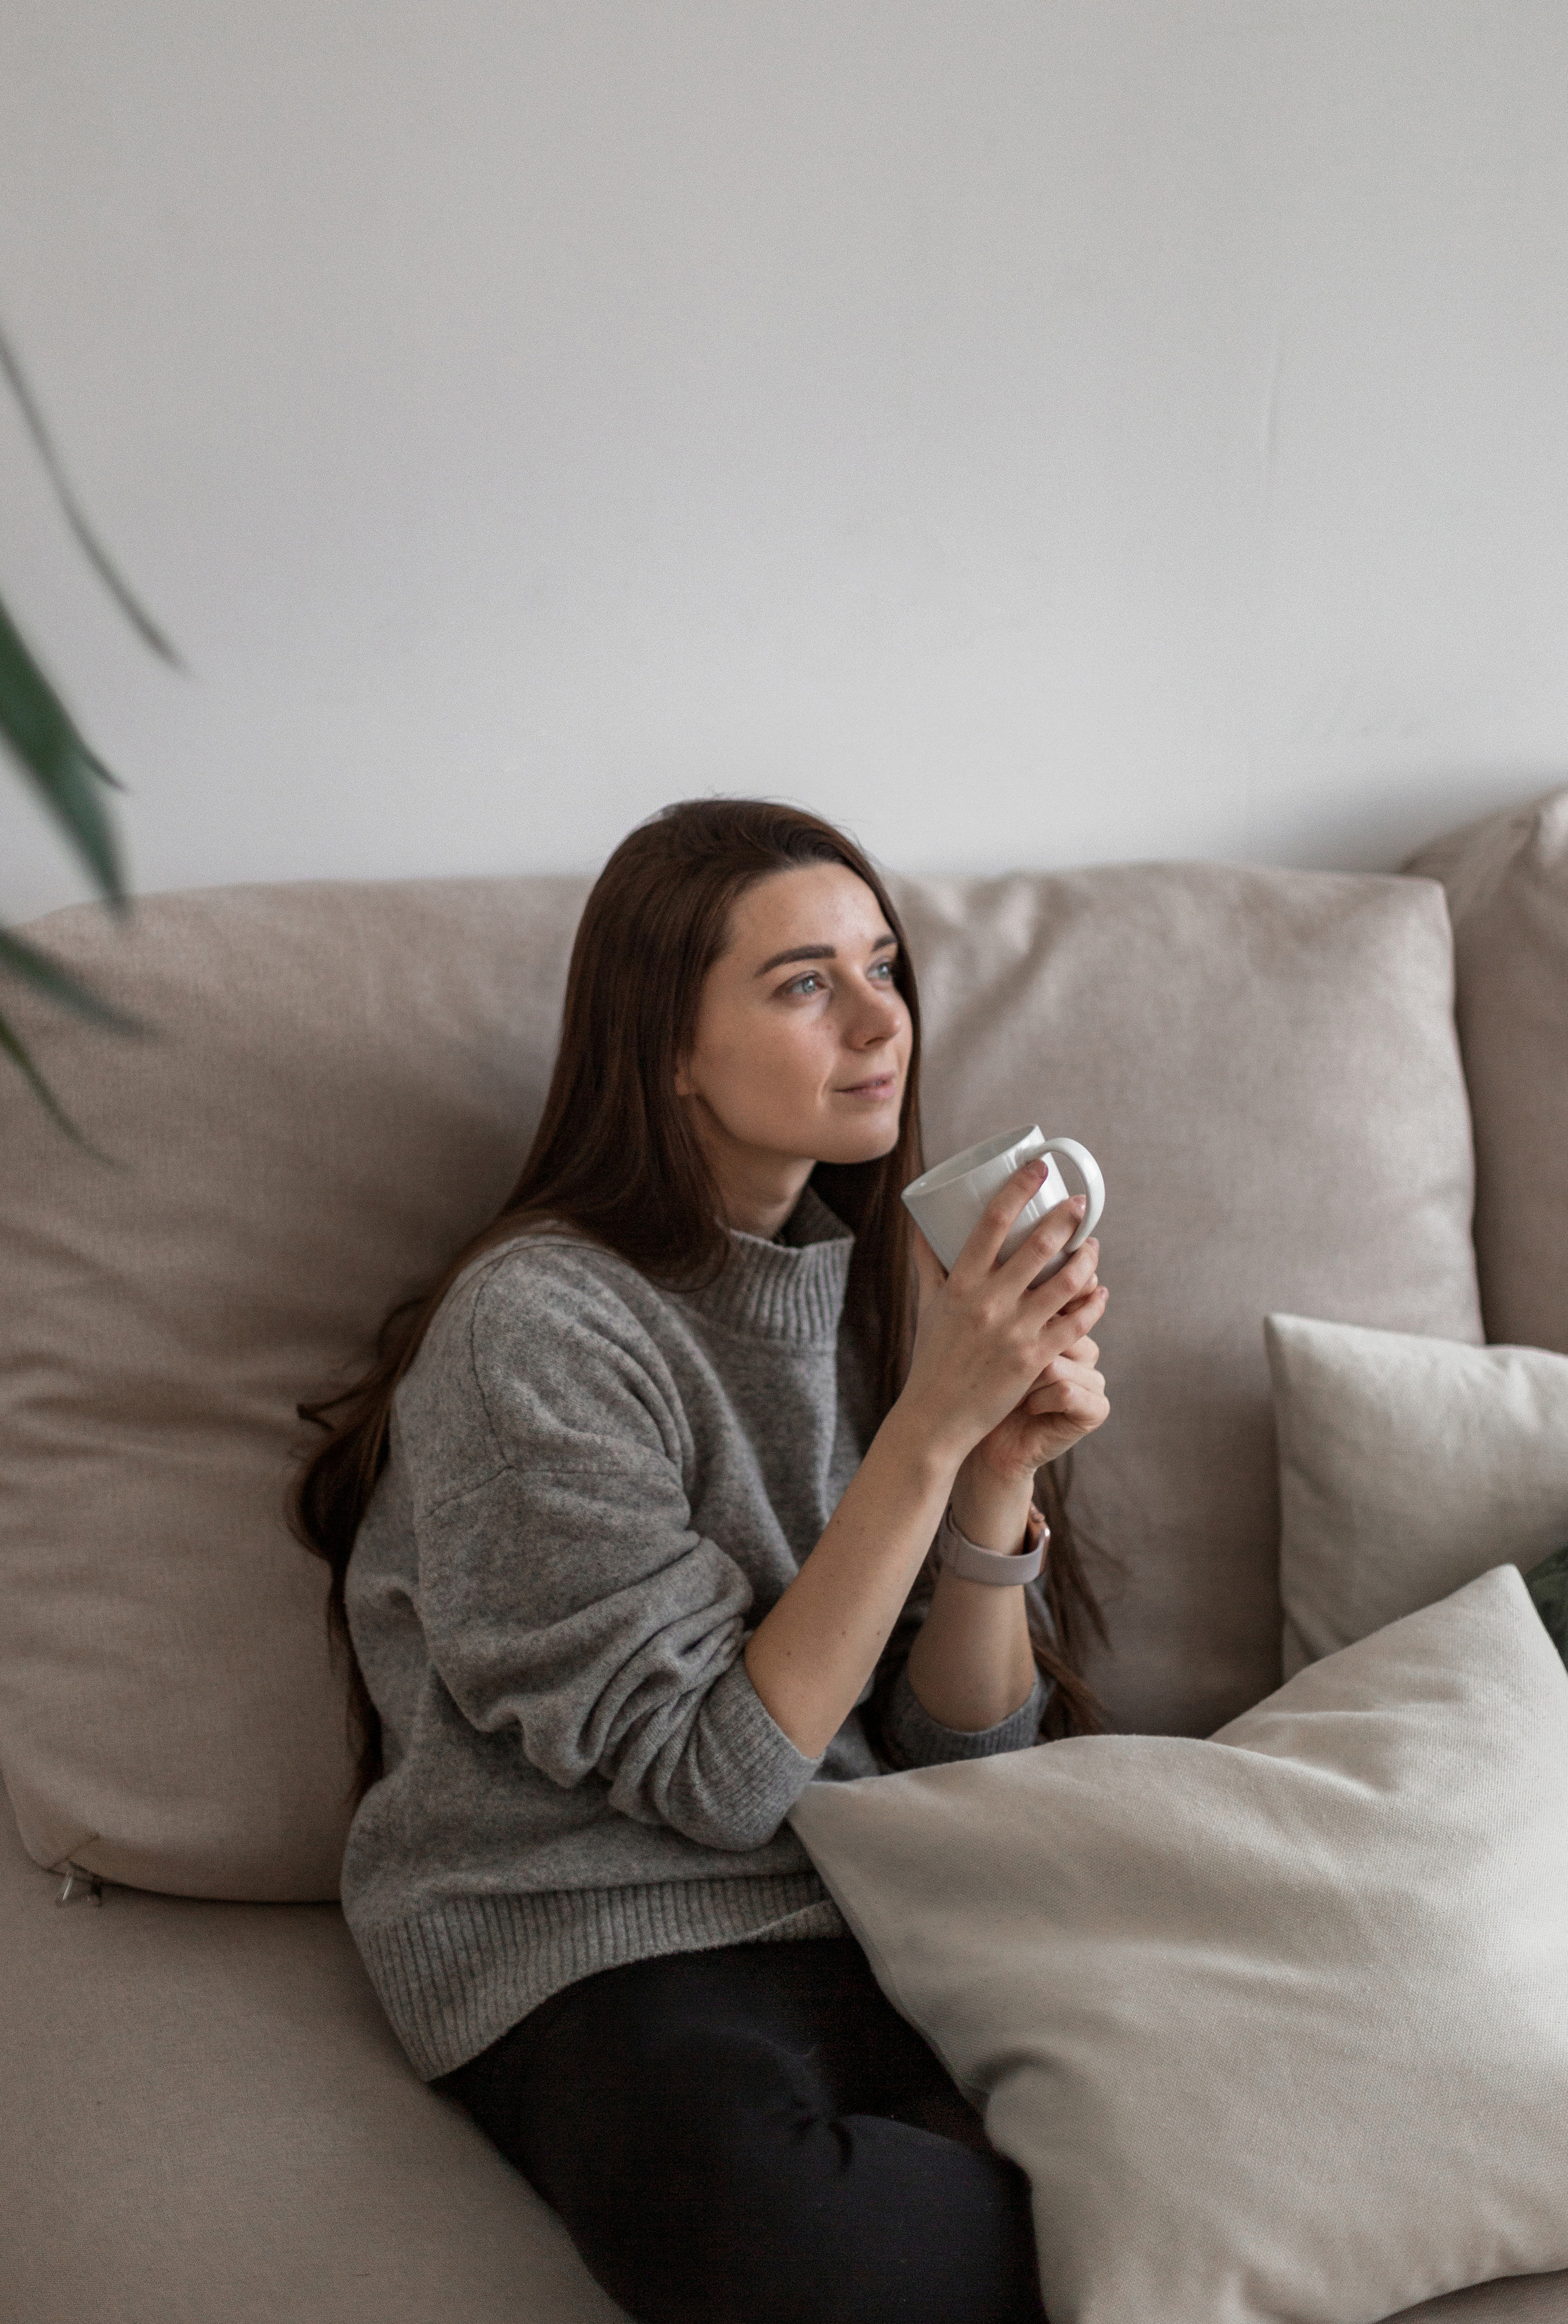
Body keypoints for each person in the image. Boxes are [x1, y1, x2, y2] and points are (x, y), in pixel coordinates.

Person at [291, 797, 1112, 2324]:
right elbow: (716, 1783)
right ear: (664, 1046)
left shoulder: (889, 1296)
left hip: (880, 1907)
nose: (881, 1022)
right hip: (593, 1935)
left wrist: (993, 1475)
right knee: (796, 2249)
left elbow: (966, 1764)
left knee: (1203, 2110)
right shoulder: (535, 1330)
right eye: (804, 984)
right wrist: (927, 1432)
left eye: (882, 967)